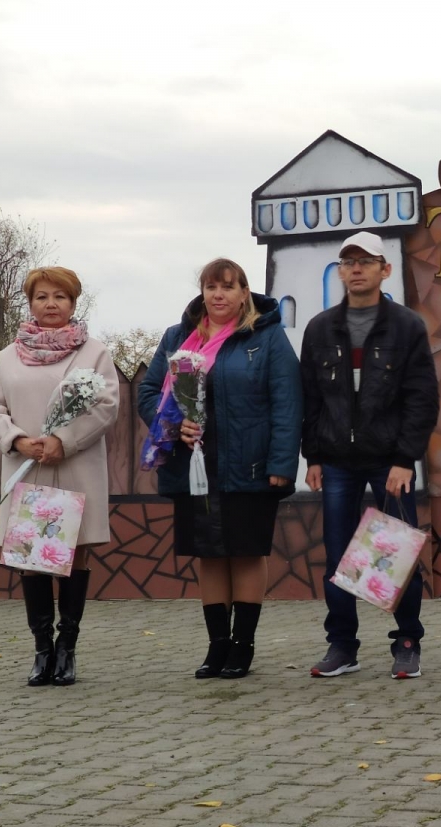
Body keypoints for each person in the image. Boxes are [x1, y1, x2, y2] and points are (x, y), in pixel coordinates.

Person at [139, 259, 301, 680]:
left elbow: (287, 401)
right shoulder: (178, 337)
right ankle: (217, 646)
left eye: (228, 287)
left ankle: (242, 645)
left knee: (245, 553)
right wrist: (173, 424)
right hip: (193, 465)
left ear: (244, 293)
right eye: (211, 287)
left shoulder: (266, 337)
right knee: (209, 555)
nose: (218, 295)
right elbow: (149, 391)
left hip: (250, 464)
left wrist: (282, 463)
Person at [300, 231, 439, 679]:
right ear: (340, 272)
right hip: (336, 460)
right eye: (349, 262)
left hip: (389, 460)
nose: (356, 268)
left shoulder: (407, 326)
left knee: (399, 553)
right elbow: (310, 398)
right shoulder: (320, 328)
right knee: (338, 557)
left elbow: (422, 399)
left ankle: (408, 641)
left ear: (385, 269)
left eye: (366, 261)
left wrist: (405, 459)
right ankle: (342, 646)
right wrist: (312, 456)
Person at [0, 266, 119, 687]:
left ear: (74, 303)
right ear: (30, 304)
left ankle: (67, 649)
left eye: (60, 296)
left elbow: (106, 406)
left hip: (74, 467)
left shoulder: (94, 353)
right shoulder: (8, 356)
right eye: (41, 296)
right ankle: (42, 650)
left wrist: (64, 440)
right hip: (27, 468)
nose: (51, 304)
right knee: (33, 560)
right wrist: (17, 440)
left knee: (74, 555)